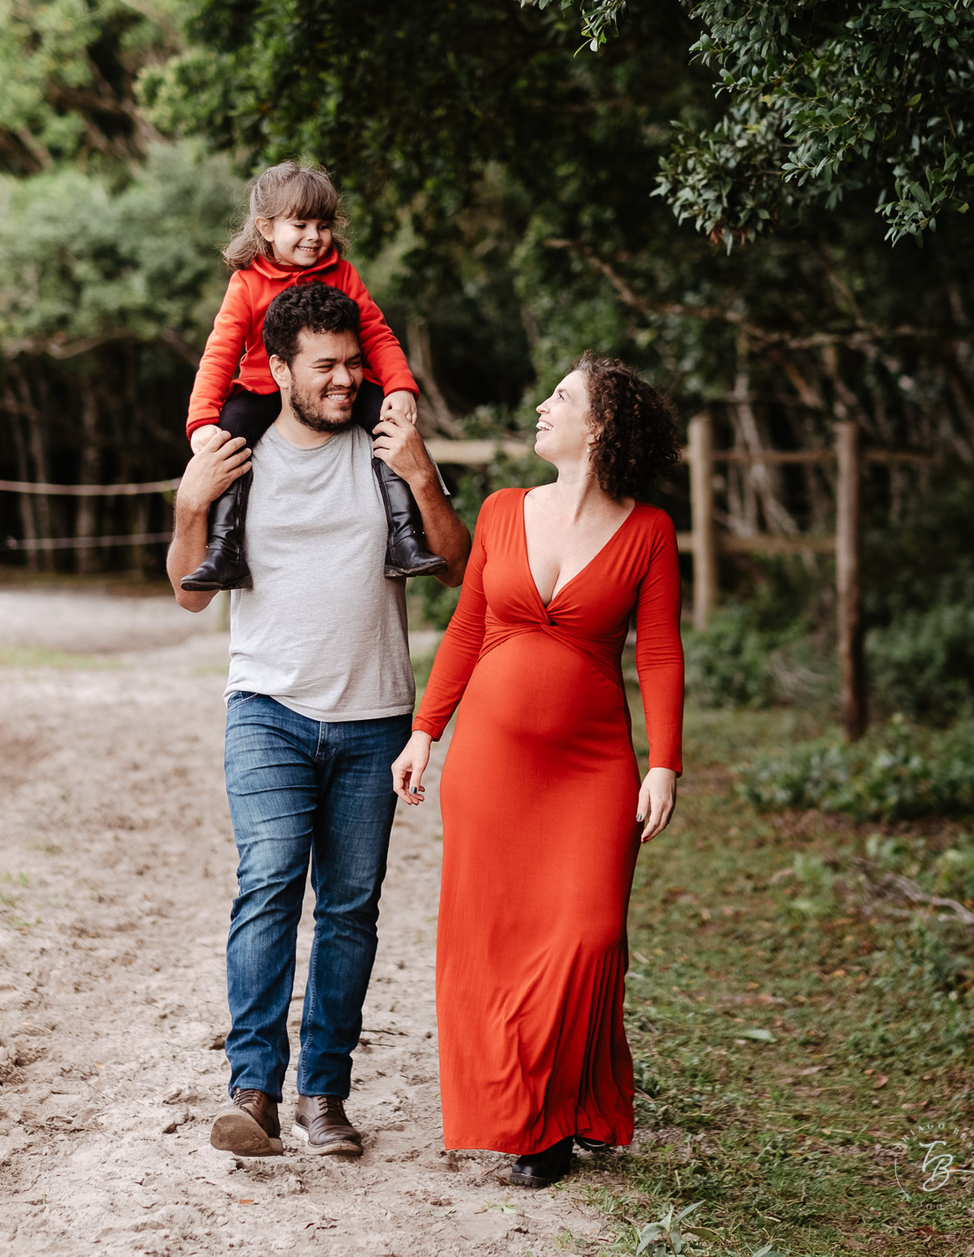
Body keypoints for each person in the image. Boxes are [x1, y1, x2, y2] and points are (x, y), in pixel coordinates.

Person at [168, 281, 470, 1159]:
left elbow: (456, 567)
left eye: (353, 364)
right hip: (266, 708)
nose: (345, 380)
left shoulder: (385, 448)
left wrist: (422, 474)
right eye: (326, 367)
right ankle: (254, 1091)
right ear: (277, 370)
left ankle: (324, 1096)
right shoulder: (238, 454)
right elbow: (188, 595)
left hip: (376, 717)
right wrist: (189, 505)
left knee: (348, 908)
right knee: (268, 883)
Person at [391, 354, 684, 1187]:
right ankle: (535, 1127)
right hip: (490, 764)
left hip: (592, 768)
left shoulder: (648, 532)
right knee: (492, 947)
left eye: (562, 397)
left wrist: (664, 763)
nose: (542, 407)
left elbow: (660, 653)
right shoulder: (501, 510)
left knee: (589, 936)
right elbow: (466, 629)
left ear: (599, 426)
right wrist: (424, 731)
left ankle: (570, 1097)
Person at [182, 160, 444, 591]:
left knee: (390, 426)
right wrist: (202, 420)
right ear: (266, 227)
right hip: (263, 387)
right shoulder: (246, 283)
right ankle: (224, 550)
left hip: (335, 383)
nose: (314, 236)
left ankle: (404, 539)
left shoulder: (342, 273)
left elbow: (376, 333)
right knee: (227, 440)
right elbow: (220, 353)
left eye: (322, 225)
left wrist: (399, 385)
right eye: (300, 224)